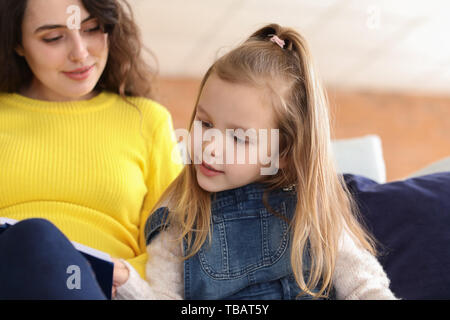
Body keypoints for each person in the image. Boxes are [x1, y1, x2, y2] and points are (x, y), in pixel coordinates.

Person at [112, 24, 397, 300]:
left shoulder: (314, 213)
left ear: (282, 153)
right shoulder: (178, 218)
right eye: (205, 123)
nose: (210, 146)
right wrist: (128, 284)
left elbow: (364, 289)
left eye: (238, 138)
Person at [0, 0, 182, 299]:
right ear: (17, 44)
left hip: (106, 290)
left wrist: (121, 274)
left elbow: (172, 244)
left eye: (92, 29)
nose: (80, 52)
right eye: (53, 38)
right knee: (38, 238)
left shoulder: (147, 120)